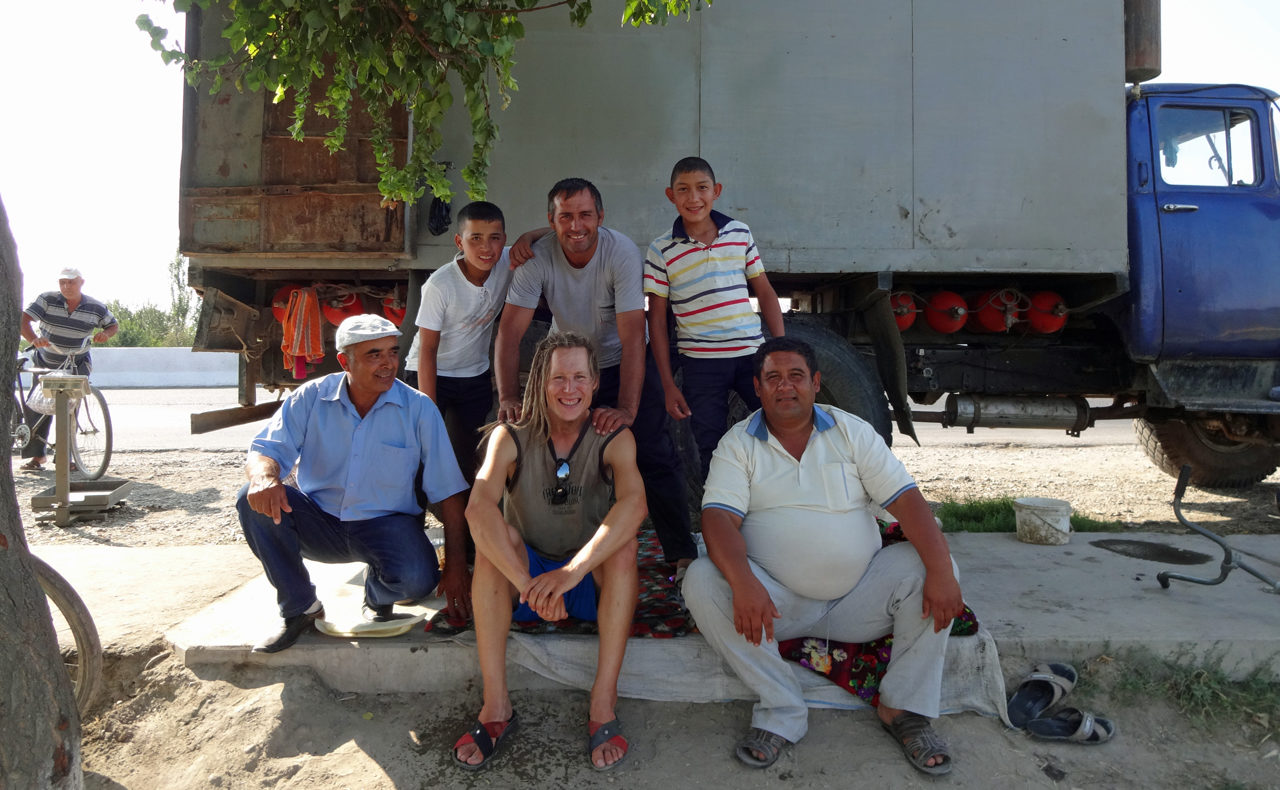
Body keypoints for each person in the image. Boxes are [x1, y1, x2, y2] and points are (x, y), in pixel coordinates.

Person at [682, 337, 964, 775]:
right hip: (775, 607)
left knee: (930, 565)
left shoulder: (851, 431)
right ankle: (782, 710)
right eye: (773, 377)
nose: (785, 387)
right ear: (757, 387)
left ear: (816, 382)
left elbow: (906, 500)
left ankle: (904, 709)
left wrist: (943, 570)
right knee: (701, 578)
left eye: (796, 376)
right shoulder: (737, 444)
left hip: (860, 600)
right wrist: (743, 583)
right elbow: (717, 519)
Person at [456, 331, 644, 771]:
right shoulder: (512, 436)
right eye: (558, 378)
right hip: (529, 585)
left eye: (580, 377)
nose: (569, 389)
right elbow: (478, 506)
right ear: (540, 382)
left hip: (584, 580)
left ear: (596, 383)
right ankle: (495, 704)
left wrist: (573, 572)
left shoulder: (612, 437)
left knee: (623, 547)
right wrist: (530, 586)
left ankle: (602, 702)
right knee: (490, 544)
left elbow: (635, 505)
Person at [236, 314, 472, 653]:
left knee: (418, 579)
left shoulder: (419, 408)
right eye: (374, 355)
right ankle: (301, 609)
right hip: (321, 520)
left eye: (393, 352)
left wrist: (456, 567)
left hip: (386, 525)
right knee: (251, 499)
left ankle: (377, 594)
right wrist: (264, 478)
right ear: (345, 361)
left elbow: (448, 490)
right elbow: (266, 450)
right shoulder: (311, 397)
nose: (388, 364)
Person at [495, 177, 696, 569]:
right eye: (565, 216)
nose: (576, 226)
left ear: (600, 217)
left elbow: (635, 337)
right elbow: (509, 332)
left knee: (653, 452)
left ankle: (681, 556)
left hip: (620, 360)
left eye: (585, 215)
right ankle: (547, 552)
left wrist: (627, 411)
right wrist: (506, 396)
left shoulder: (620, 251)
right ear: (550, 220)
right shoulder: (536, 257)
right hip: (568, 368)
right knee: (546, 453)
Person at [644, 156, 785, 480]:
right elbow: (657, 321)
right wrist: (668, 384)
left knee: (781, 428)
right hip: (701, 365)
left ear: (716, 190)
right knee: (711, 447)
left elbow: (764, 291)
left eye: (702, 188)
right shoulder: (661, 250)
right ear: (671, 195)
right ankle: (721, 524)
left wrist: (780, 350)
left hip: (753, 356)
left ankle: (780, 512)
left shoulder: (739, 233)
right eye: (684, 190)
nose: (694, 198)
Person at [405, 200, 514, 482]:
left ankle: (465, 524)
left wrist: (528, 237)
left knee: (468, 457)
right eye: (475, 238)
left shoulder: (505, 262)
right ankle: (411, 523)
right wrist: (428, 408)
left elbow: (545, 238)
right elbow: (427, 349)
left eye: (494, 238)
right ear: (459, 241)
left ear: (504, 240)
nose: (486, 248)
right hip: (429, 374)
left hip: (473, 375)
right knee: (418, 457)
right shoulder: (440, 285)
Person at [18, 267, 119, 471]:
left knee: (70, 409)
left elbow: (113, 325)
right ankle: (37, 456)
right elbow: (24, 320)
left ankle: (66, 457)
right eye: (62, 282)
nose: (66, 286)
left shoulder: (95, 307)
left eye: (71, 282)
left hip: (76, 362)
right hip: (46, 361)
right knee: (37, 406)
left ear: (81, 282)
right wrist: (34, 339)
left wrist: (105, 335)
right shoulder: (46, 300)